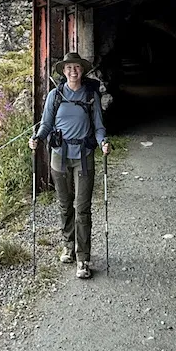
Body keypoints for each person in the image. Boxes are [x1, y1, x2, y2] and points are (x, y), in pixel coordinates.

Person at [29, 53, 109, 279]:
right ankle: (68, 246)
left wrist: (103, 141)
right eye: (69, 68)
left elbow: (99, 126)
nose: (73, 71)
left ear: (82, 71)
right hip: (59, 156)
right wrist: (37, 138)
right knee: (65, 205)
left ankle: (83, 258)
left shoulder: (91, 96)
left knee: (82, 208)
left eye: (77, 67)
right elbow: (46, 123)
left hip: (84, 156)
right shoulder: (55, 95)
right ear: (63, 72)